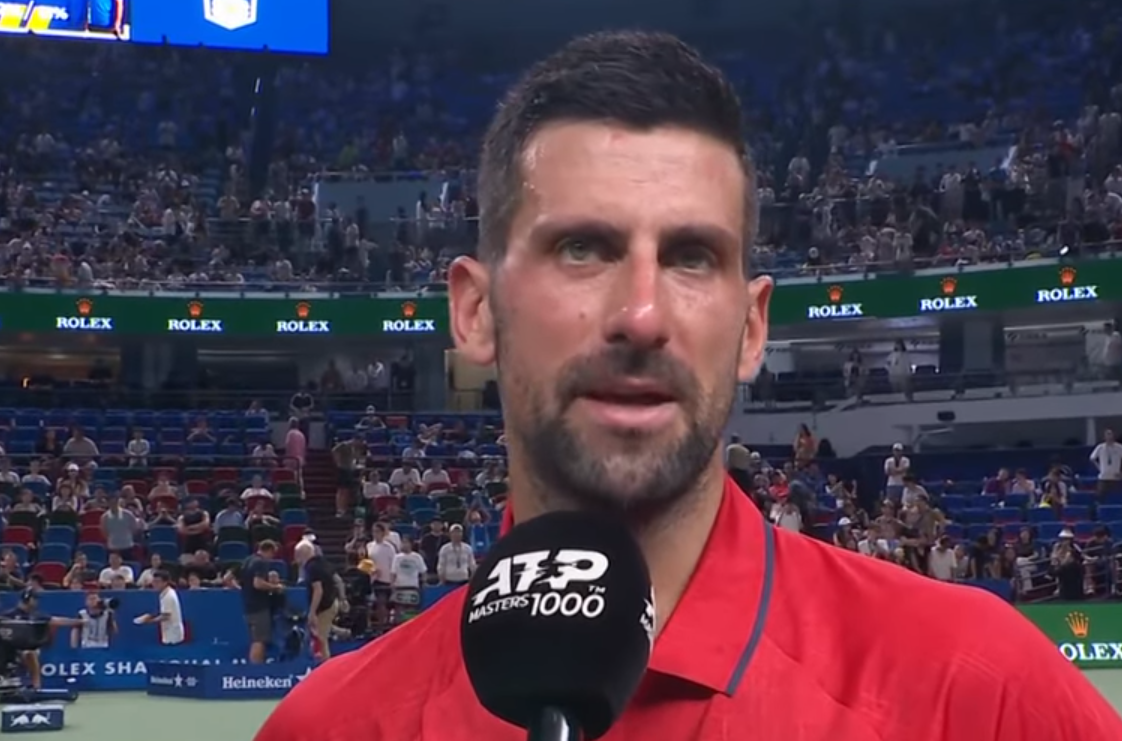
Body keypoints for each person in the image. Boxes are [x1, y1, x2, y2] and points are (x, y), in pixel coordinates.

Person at [256, 30, 1122, 741]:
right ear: (476, 311)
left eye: (692, 256)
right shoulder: (332, 726)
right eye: (583, 248)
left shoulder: (981, 694)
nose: (641, 314)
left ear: (751, 328)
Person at [3, 589, 85, 689]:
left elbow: (57, 621)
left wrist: (80, 622)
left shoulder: (37, 615)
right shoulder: (8, 615)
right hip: (10, 649)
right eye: (35, 599)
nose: (37, 602)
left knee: (29, 653)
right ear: (27, 599)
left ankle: (36, 686)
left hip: (30, 648)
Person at [238, 540, 285, 663]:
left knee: (255, 639)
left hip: (248, 605)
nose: (272, 558)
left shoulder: (248, 561)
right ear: (269, 550)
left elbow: (231, 578)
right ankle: (257, 669)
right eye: (273, 554)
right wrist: (275, 587)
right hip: (259, 607)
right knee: (260, 640)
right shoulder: (261, 562)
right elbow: (258, 584)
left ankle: (255, 666)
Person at [294, 539, 338, 661]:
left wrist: (312, 612)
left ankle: (325, 666)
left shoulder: (311, 567)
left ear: (302, 554)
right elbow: (338, 581)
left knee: (321, 638)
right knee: (319, 635)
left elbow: (318, 590)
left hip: (324, 606)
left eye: (297, 555)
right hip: (332, 602)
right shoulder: (324, 563)